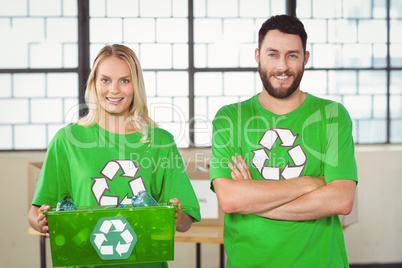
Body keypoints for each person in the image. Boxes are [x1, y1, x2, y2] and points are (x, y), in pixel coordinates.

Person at [28, 44, 201, 268]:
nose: (114, 90)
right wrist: (42, 223)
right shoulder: (67, 140)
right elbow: (34, 213)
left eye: (125, 81)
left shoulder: (160, 142)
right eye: (106, 80)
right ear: (94, 83)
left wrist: (177, 217)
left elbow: (185, 221)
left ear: (136, 85)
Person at [210, 15, 357, 267]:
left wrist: (252, 200)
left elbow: (341, 200)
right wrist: (310, 183)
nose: (282, 66)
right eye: (273, 54)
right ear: (257, 55)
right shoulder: (229, 118)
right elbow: (231, 200)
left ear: (305, 58)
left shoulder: (332, 115)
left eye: (292, 55)